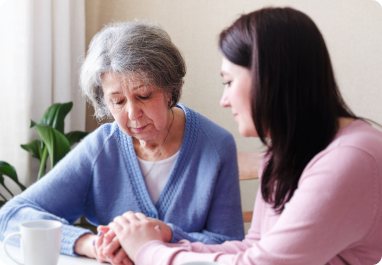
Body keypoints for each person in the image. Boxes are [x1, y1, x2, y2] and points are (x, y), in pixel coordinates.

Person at [100, 7, 382, 265]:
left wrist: (148, 251)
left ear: (268, 78)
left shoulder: (352, 158)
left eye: (229, 81)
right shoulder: (285, 153)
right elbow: (254, 248)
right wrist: (166, 238)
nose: (224, 100)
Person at [0, 21, 245, 264]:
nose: (132, 113)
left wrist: (162, 235)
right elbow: (10, 214)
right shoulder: (100, 148)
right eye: (117, 101)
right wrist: (90, 244)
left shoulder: (216, 146)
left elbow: (229, 245)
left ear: (169, 90)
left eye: (144, 95)